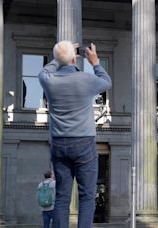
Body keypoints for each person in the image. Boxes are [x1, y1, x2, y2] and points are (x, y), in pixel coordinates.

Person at [38, 40, 112, 228]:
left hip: (59, 143)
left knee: (62, 196)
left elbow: (45, 70)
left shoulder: (48, 80)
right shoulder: (85, 79)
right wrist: (94, 62)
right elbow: (107, 82)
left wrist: (60, 57)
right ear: (74, 58)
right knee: (87, 195)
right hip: (84, 142)